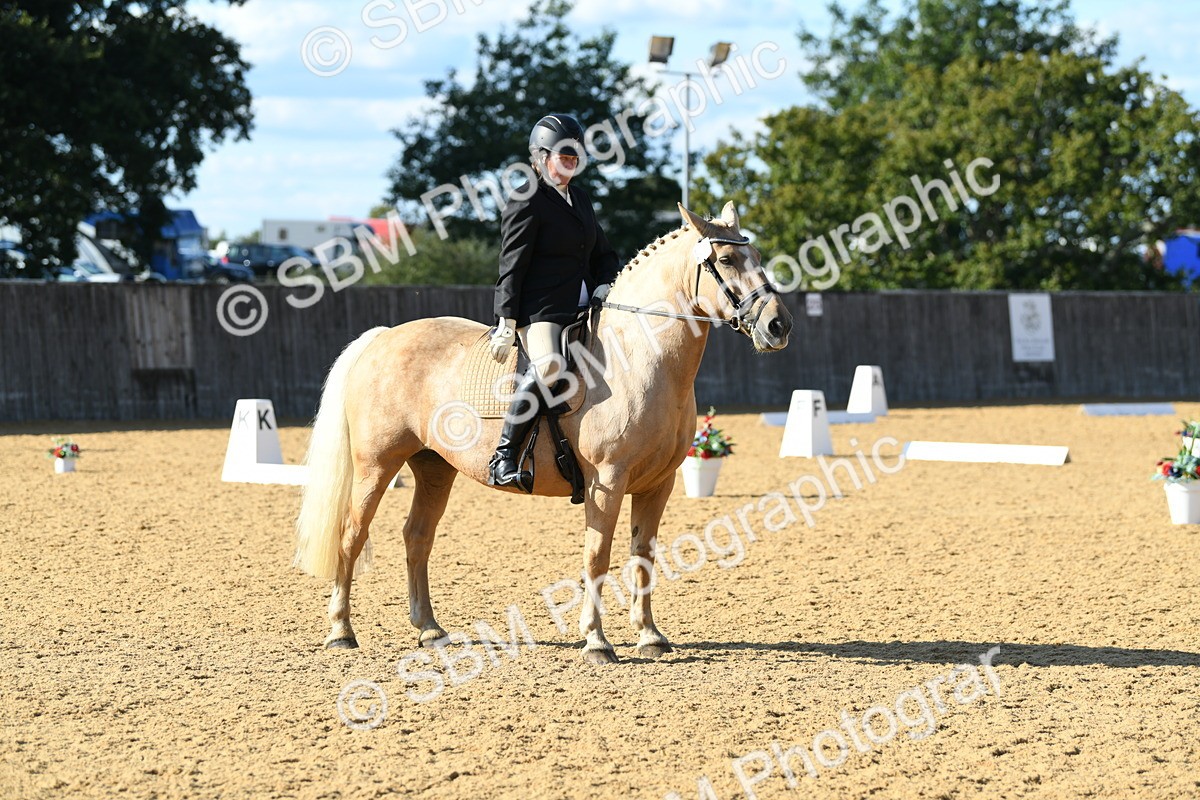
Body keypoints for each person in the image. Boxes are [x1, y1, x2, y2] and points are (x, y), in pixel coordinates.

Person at [487, 113, 619, 493]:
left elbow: (603, 253)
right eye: (564, 156)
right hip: (542, 311)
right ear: (541, 157)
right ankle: (504, 456)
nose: (571, 163)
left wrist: (605, 283)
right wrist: (506, 321)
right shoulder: (527, 198)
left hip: (586, 307)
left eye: (576, 157)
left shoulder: (580, 199)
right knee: (548, 367)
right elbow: (511, 264)